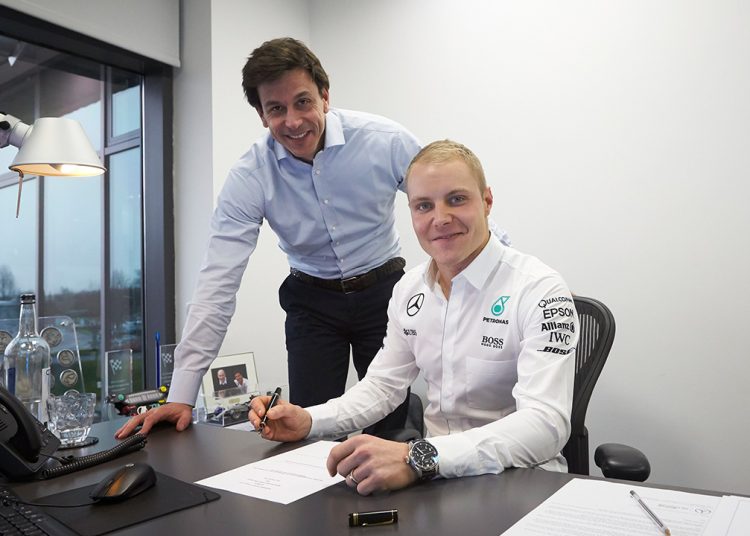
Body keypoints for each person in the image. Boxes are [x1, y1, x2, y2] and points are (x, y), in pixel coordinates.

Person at [116, 38, 513, 441]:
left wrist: (512, 274)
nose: (293, 121)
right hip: (312, 303)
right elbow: (216, 284)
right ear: (262, 115)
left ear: (325, 96)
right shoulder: (250, 176)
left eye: (302, 102)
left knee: (389, 429)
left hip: (384, 292)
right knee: (304, 428)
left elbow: (455, 200)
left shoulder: (383, 141)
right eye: (276, 109)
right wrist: (182, 394)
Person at [248, 140, 578, 495]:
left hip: (520, 482)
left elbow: (546, 425)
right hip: (434, 480)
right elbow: (383, 387)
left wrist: (418, 457)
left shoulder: (539, 289)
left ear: (487, 201)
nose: (440, 219)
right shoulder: (409, 289)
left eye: (456, 199)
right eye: (424, 206)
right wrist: (309, 420)